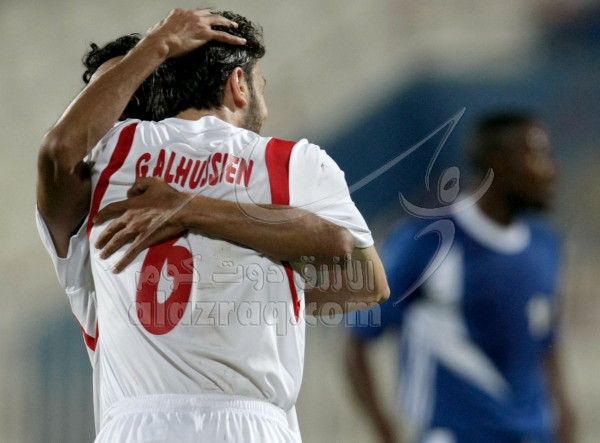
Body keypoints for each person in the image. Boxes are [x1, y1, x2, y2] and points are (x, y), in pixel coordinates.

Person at [36, 8, 389, 443]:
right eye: (261, 85)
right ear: (239, 84)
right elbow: (366, 279)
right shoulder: (292, 164)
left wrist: (159, 43)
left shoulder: (109, 161)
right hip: (254, 427)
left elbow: (58, 152)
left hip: (136, 427)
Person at [345, 112, 576, 443]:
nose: (552, 170)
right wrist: (386, 432)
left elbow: (545, 339)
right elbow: (357, 341)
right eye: (537, 155)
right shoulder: (426, 241)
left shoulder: (545, 245)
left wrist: (566, 413)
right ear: (499, 164)